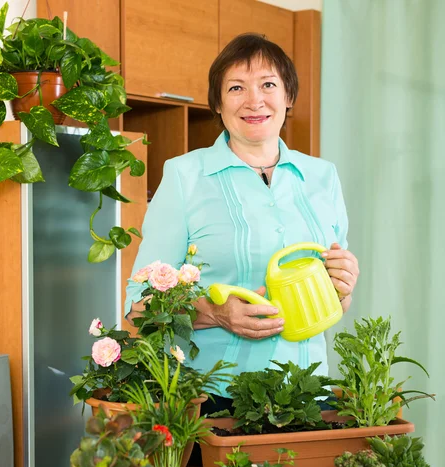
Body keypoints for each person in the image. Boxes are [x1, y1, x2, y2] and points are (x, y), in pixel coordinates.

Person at [125, 33, 359, 410]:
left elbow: (335, 300)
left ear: (288, 97)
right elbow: (141, 305)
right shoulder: (185, 177)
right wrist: (215, 314)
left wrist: (343, 286)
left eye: (268, 84)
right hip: (213, 397)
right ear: (217, 103)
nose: (255, 101)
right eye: (236, 87)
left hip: (307, 392)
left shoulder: (322, 176)